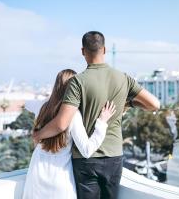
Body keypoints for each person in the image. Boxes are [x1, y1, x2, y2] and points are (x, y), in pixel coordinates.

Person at [33, 31, 160, 199]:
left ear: (83, 51)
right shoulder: (124, 78)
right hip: (114, 155)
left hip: (85, 160)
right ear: (105, 49)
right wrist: (127, 103)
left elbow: (62, 123)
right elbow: (154, 104)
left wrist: (38, 135)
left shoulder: (77, 82)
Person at [23, 69, 116, 199]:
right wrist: (102, 122)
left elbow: (24, 104)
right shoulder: (73, 115)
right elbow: (87, 150)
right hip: (60, 177)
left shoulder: (41, 106)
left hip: (36, 174)